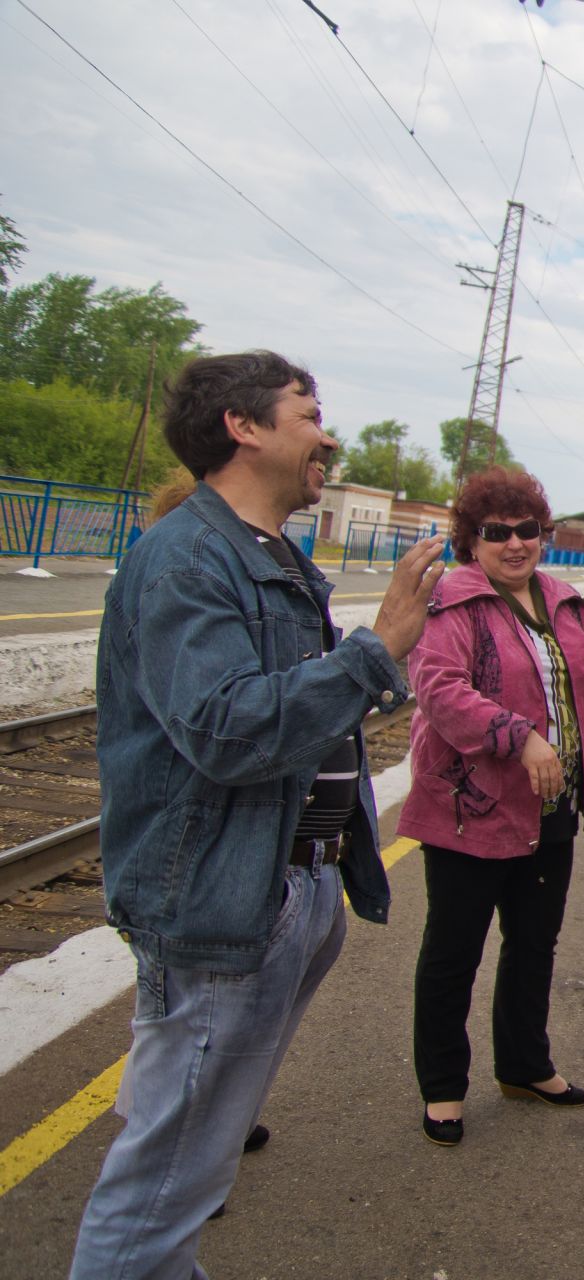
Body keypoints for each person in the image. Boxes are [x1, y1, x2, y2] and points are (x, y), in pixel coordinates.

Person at [73, 351, 445, 1277]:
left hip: (282, 888)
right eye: (309, 413)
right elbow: (224, 729)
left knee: (190, 1168)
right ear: (242, 427)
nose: (328, 434)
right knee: (161, 1182)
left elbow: (295, 714)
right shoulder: (188, 558)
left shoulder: (267, 551)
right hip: (222, 905)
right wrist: (380, 648)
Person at [398, 466, 584, 1146]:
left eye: (527, 531)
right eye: (497, 533)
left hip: (550, 810)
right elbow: (440, 689)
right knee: (454, 952)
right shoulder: (452, 602)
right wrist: (520, 739)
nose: (515, 545)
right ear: (471, 539)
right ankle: (444, 1089)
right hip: (471, 807)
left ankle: (523, 1065)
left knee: (533, 945)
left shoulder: (563, 600)